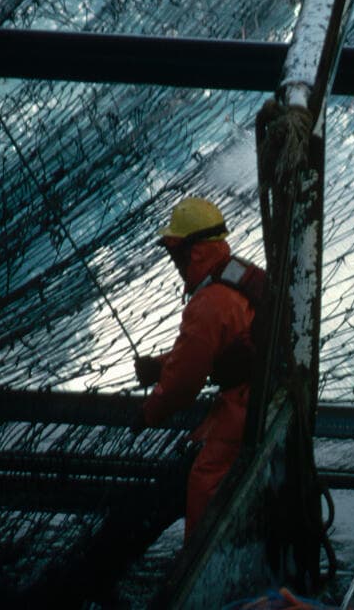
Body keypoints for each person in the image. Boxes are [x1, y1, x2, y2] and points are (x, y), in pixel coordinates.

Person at [132, 196, 266, 541]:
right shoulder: (233, 276)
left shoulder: (208, 303)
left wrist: (149, 413)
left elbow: (184, 382)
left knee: (206, 481)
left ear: (192, 251)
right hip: (265, 395)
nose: (173, 262)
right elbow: (208, 348)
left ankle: (203, 571)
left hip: (244, 406)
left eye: (174, 252)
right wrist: (159, 366)